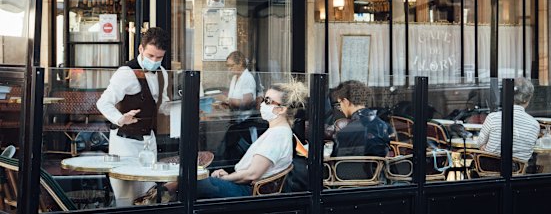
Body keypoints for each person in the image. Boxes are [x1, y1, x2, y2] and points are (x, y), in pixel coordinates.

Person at [165, 81, 307, 199]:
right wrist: (229, 176)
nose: (262, 104)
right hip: (244, 187)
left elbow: (253, 174)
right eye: (264, 99)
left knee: (187, 183)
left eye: (268, 101)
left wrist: (224, 179)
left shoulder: (278, 135)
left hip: (246, 192)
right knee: (187, 182)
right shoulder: (277, 132)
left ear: (281, 109)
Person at [96, 27, 170, 206]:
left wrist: (177, 110)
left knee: (148, 197)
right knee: (126, 198)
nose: (154, 61)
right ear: (141, 49)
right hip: (125, 143)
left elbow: (162, 104)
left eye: (159, 57)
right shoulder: (125, 73)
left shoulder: (163, 73)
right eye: (151, 56)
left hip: (149, 142)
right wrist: (121, 118)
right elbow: (103, 102)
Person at [476, 77, 540, 162]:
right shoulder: (535, 125)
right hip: (518, 173)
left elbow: (480, 143)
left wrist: (485, 148)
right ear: (528, 99)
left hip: (487, 170)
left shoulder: (493, 118)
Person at [330, 80, 393, 157]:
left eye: (340, 104)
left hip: (349, 168)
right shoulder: (383, 126)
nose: (340, 109)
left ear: (346, 101)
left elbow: (336, 163)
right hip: (377, 168)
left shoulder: (343, 133)